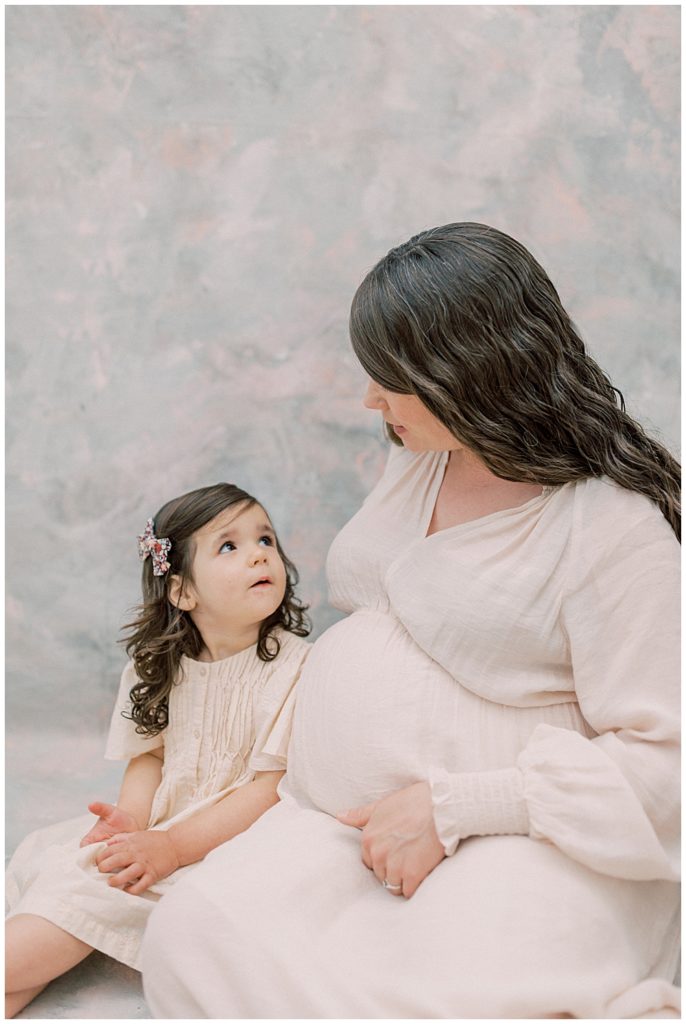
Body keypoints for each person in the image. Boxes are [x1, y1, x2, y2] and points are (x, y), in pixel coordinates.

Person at [141, 223, 680, 1019]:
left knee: (450, 986)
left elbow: (670, 764)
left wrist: (459, 806)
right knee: (193, 930)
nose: (369, 401)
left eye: (391, 379)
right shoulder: (423, 458)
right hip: (341, 823)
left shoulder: (613, 529)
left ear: (469, 371)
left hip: (528, 836)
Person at [5, 482, 311, 1018]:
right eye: (229, 546)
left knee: (93, 893)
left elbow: (273, 788)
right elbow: (150, 756)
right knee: (78, 867)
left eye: (266, 538)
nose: (261, 552)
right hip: (165, 828)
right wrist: (132, 822)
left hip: (231, 845)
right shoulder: (157, 667)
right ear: (182, 593)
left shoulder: (294, 667)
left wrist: (171, 847)